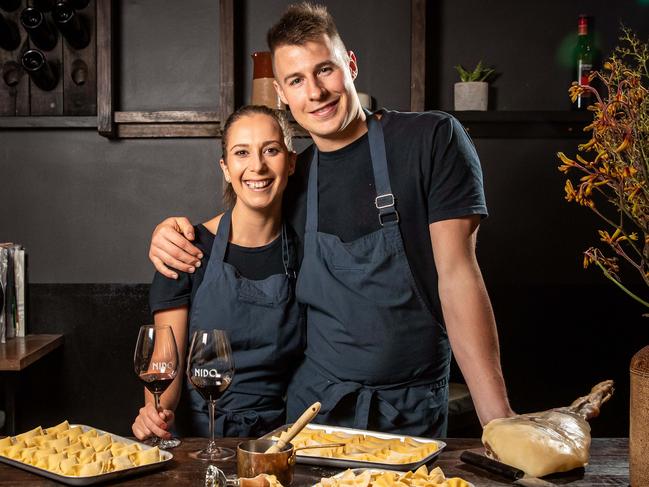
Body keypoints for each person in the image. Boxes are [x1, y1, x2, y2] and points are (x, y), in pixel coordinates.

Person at [148, 2, 513, 437]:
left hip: (410, 410)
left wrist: (499, 423)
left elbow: (458, 277)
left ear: (351, 65)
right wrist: (170, 232)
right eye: (296, 81)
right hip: (315, 417)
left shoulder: (429, 141)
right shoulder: (293, 176)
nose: (315, 93)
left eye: (325, 70)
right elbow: (242, 212)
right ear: (283, 94)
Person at [132, 105, 304, 441]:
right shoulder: (186, 248)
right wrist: (155, 412)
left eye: (271, 150)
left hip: (282, 439)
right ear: (225, 168)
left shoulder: (306, 252)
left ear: (292, 162)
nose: (257, 166)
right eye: (242, 153)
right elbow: (165, 364)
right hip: (200, 439)